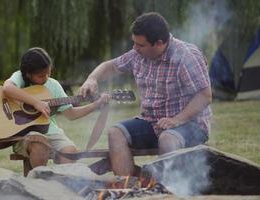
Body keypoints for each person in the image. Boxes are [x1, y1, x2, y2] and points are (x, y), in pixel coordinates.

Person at [79, 12, 212, 176]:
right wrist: (92, 78)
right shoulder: (137, 54)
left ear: (159, 43)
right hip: (152, 122)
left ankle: (171, 191)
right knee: (116, 133)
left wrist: (176, 120)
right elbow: (111, 66)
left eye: (140, 45)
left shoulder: (186, 56)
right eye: (134, 43)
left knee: (167, 139)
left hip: (190, 124)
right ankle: (128, 187)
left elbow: (205, 95)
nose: (135, 48)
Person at [3, 47, 109, 169]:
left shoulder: (53, 85)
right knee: (39, 143)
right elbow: (7, 88)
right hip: (23, 132)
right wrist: (36, 102)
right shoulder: (19, 78)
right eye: (41, 75)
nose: (46, 77)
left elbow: (71, 114)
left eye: (49, 72)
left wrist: (95, 105)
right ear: (28, 74)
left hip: (50, 131)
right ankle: (38, 184)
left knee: (70, 151)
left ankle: (60, 182)